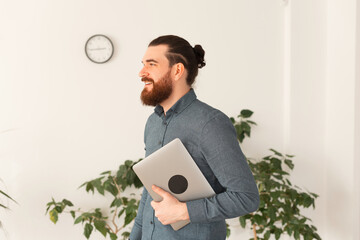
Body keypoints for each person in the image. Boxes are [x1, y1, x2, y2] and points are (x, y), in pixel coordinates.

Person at [129, 35, 259, 240]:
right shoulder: (152, 123)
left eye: (151, 64)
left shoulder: (210, 123)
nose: (141, 73)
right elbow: (150, 193)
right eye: (143, 64)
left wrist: (184, 212)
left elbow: (246, 197)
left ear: (177, 70)